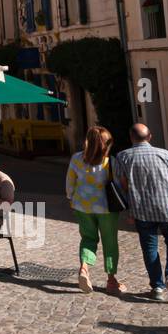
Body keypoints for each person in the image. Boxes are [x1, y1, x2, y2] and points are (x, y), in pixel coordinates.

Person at [114, 123, 168, 303]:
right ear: (150, 137)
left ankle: (157, 287)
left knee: (150, 248)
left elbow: (123, 185)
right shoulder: (164, 154)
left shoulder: (122, 157)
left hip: (141, 209)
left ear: (131, 138)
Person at [66, 126, 126, 297]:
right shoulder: (110, 161)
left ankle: (84, 268)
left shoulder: (76, 158)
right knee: (110, 242)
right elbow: (120, 185)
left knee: (88, 238)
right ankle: (111, 280)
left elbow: (70, 182)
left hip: (82, 206)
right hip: (106, 207)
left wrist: (71, 197)